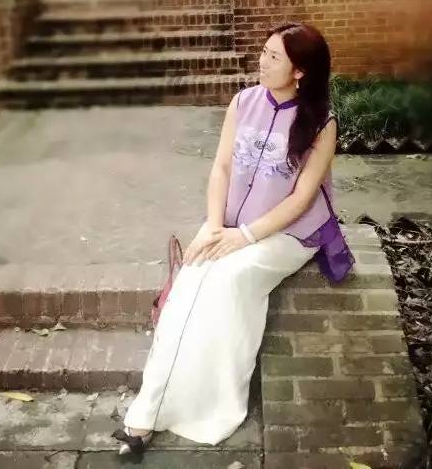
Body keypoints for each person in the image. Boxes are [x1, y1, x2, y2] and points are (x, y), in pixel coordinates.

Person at [113, 22, 354, 456]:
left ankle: (214, 404)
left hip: (289, 234)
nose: (262, 62)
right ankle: (150, 409)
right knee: (191, 279)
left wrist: (244, 236)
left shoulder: (322, 123)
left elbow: (301, 200)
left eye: (274, 57)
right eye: (263, 52)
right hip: (226, 223)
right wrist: (212, 226)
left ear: (300, 71)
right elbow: (221, 168)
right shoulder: (243, 102)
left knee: (227, 279)